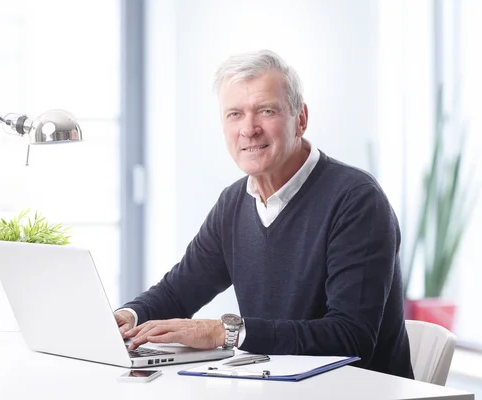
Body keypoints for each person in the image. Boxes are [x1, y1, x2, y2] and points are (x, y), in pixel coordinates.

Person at [114, 50, 413, 378]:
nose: (249, 129)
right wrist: (129, 316)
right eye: (234, 114)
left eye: (266, 111)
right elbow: (178, 291)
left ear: (300, 119)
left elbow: (351, 338)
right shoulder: (233, 203)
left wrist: (224, 333)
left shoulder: (356, 200)